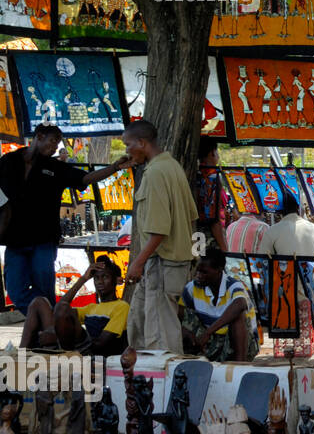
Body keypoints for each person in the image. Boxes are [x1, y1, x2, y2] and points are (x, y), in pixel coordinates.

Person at [0, 124, 131, 313]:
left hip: (43, 239)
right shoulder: (9, 161)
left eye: (58, 143)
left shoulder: (56, 168)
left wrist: (114, 167)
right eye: (53, 141)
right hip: (15, 239)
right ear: (39, 136)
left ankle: (47, 329)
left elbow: (86, 179)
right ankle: (48, 319)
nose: (55, 147)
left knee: (44, 288)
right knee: (15, 290)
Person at [122, 119, 198, 353]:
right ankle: (142, 374)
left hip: (162, 262)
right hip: (164, 264)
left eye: (128, 145)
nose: (127, 151)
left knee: (160, 332)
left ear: (142, 143)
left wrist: (137, 262)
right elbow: (191, 217)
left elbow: (159, 230)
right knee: (140, 321)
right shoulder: (171, 166)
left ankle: (165, 382)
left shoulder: (156, 173)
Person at [258, 194, 314, 354]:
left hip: (288, 294)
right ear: (298, 209)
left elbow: (262, 261)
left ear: (279, 212)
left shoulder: (273, 231)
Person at [20, 255, 128, 356]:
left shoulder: (121, 307)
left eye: (105, 277)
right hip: (71, 345)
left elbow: (100, 344)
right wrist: (83, 279)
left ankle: (62, 353)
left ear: (117, 280)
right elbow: (58, 310)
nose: (100, 282)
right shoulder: (91, 308)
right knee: (39, 302)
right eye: (96, 278)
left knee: (63, 308)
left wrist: (54, 338)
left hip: (90, 352)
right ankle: (20, 356)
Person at [180, 245, 256, 362]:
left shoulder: (233, 285)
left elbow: (240, 303)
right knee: (184, 315)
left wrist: (208, 332)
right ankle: (192, 358)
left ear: (219, 270)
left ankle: (240, 364)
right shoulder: (193, 287)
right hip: (210, 343)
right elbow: (180, 313)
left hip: (234, 342)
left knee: (238, 317)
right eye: (198, 271)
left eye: (204, 272)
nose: (199, 276)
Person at [193, 136, 228, 251]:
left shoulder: (193, 173)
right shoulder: (211, 177)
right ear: (212, 152)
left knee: (197, 267)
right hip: (209, 237)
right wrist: (224, 248)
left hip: (194, 234)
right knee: (210, 267)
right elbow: (214, 219)